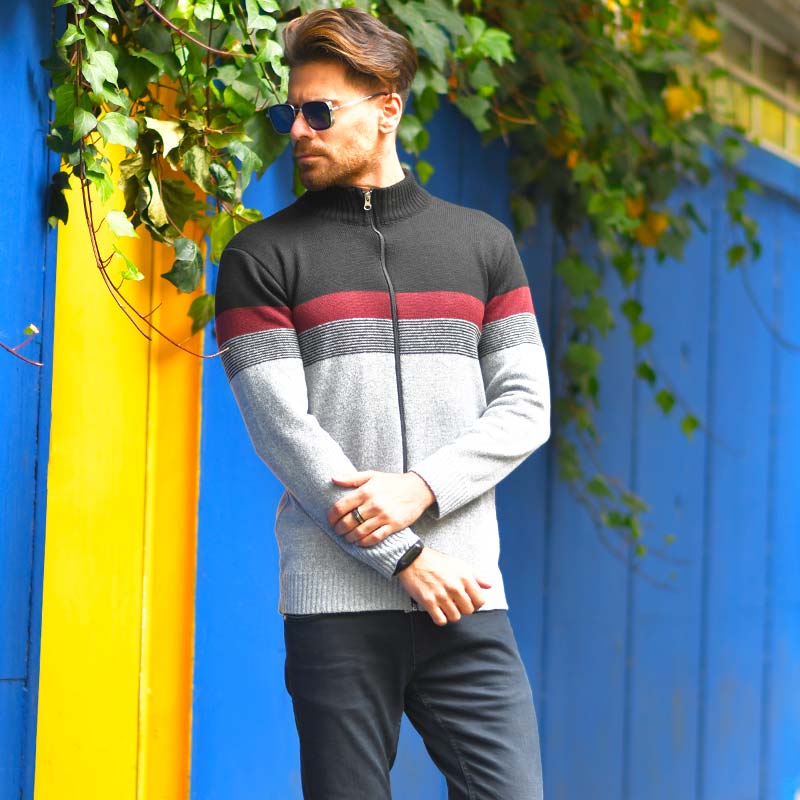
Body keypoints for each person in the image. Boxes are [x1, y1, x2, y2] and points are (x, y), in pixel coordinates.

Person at [214, 7, 551, 798]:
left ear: (388, 107)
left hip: (466, 597)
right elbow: (288, 438)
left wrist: (423, 488)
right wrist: (407, 557)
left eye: (319, 111)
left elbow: (526, 405)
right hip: (337, 609)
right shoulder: (260, 257)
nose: (299, 131)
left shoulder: (482, 245)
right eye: (288, 114)